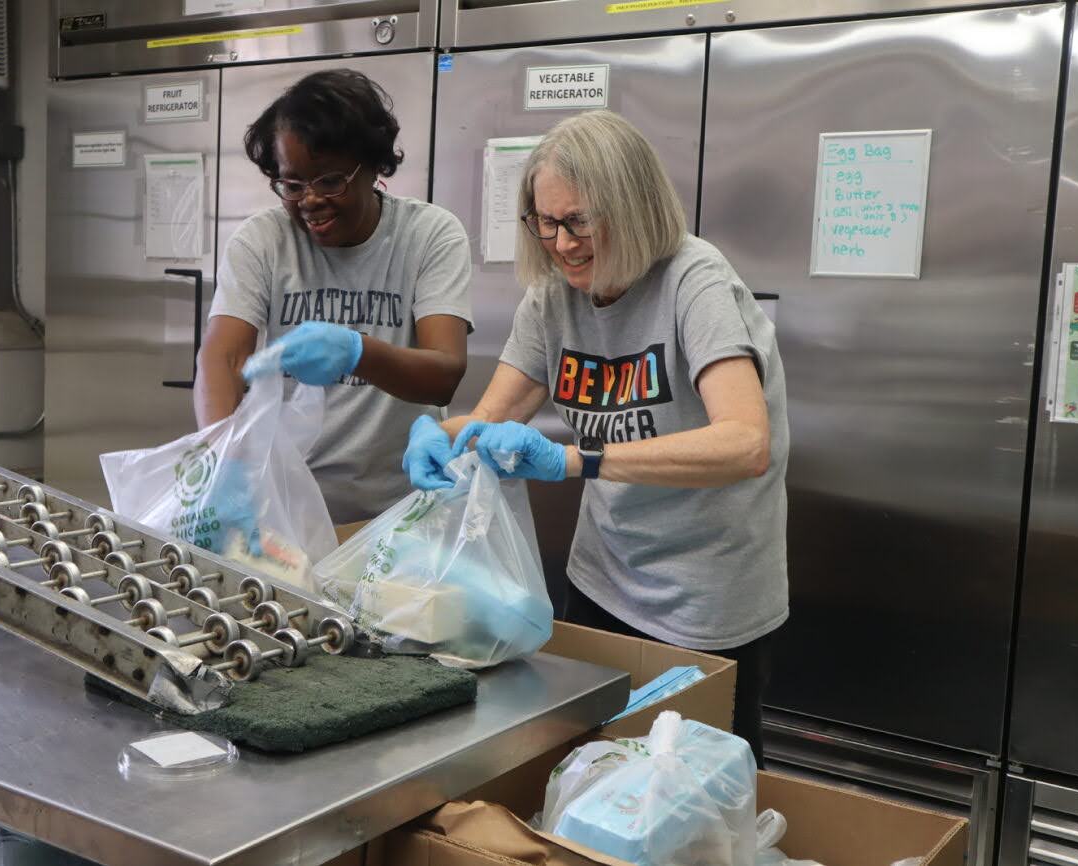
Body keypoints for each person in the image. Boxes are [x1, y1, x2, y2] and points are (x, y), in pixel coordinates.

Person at [402, 110, 788, 765]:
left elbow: (746, 443)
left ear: (633, 209)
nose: (561, 243)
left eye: (579, 221)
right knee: (591, 772)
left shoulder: (694, 280)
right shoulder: (553, 299)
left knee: (692, 796)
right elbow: (494, 417)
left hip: (707, 599)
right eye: (545, 222)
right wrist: (440, 434)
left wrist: (580, 460)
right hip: (602, 581)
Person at [195, 69, 472, 526]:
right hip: (286, 510)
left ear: (373, 166)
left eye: (329, 181)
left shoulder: (430, 235)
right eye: (292, 184)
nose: (310, 200)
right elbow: (221, 359)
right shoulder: (263, 240)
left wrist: (355, 350)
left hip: (399, 515)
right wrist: (220, 460)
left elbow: (443, 372)